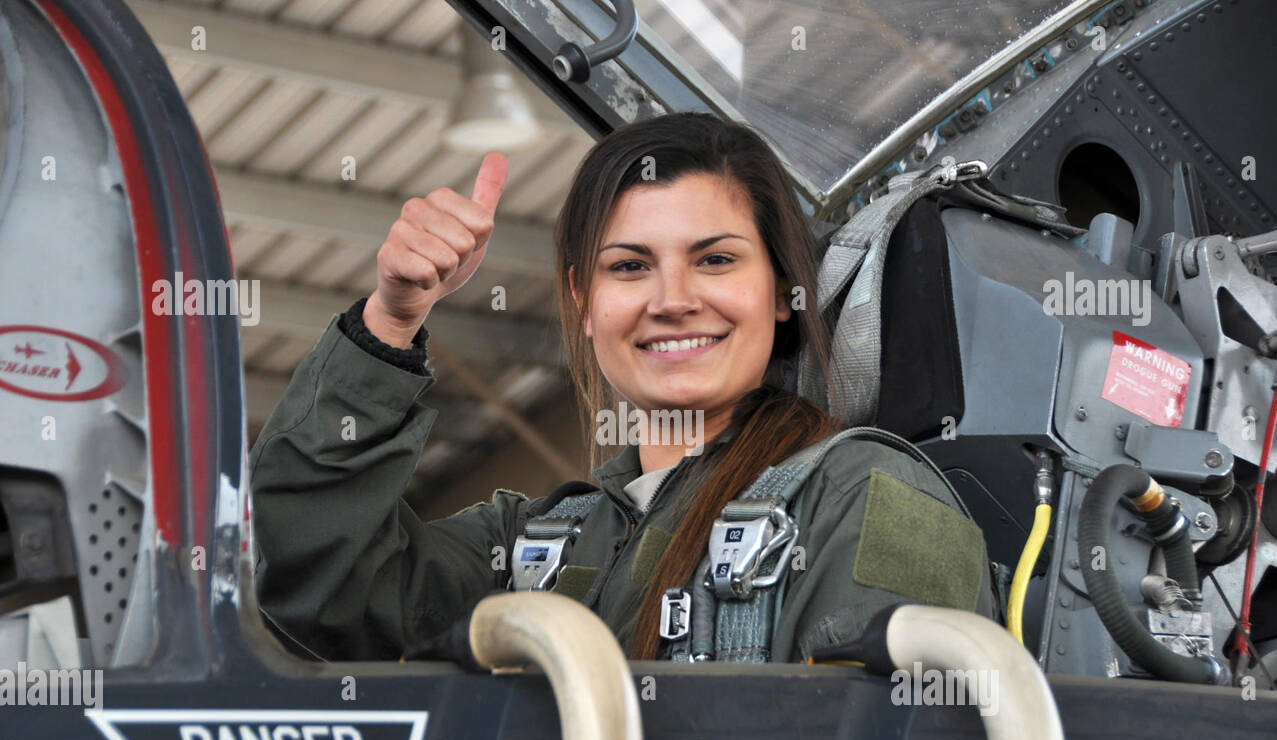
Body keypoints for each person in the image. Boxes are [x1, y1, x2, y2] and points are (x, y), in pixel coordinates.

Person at [250, 111, 997, 665]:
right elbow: (322, 581)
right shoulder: (540, 547)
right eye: (629, 266)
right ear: (582, 299)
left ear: (780, 291)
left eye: (714, 260)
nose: (672, 298)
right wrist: (391, 320)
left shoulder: (867, 500)